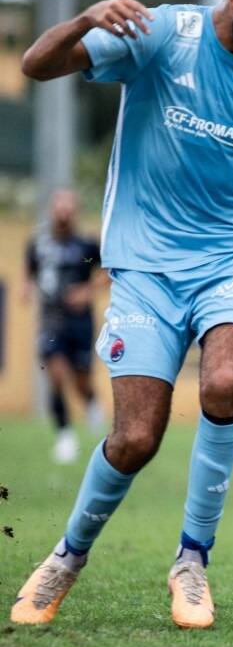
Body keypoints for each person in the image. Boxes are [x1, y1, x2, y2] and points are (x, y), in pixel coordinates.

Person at [10, 0, 233, 630]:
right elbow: (36, 66)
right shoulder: (159, 36)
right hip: (145, 268)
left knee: (221, 383)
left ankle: (192, 561)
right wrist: (88, 17)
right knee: (135, 439)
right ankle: (67, 556)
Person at [25, 188, 106, 464]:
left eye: (69, 209)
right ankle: (65, 436)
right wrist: (27, 287)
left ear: (75, 213)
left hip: (80, 321)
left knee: (81, 380)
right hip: (51, 320)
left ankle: (92, 404)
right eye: (59, 207)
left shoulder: (85, 248)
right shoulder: (39, 244)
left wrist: (86, 290)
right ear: (51, 210)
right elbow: (31, 270)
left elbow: (105, 272)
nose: (63, 213)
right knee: (56, 373)